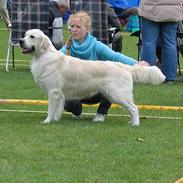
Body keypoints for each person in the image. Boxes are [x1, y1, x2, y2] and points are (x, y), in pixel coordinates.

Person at [60, 11, 149, 122]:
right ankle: (77, 111)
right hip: (79, 88)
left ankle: (101, 113)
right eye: (72, 26)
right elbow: (56, 59)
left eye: (78, 27)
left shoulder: (96, 45)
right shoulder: (68, 45)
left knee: (110, 82)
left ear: (87, 29)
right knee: (68, 103)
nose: (74, 29)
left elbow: (115, 56)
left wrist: (136, 64)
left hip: (98, 90)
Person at [138, 0, 183, 83]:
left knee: (149, 44)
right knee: (170, 43)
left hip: (150, 8)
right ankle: (170, 78)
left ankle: (148, 77)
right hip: (173, 10)